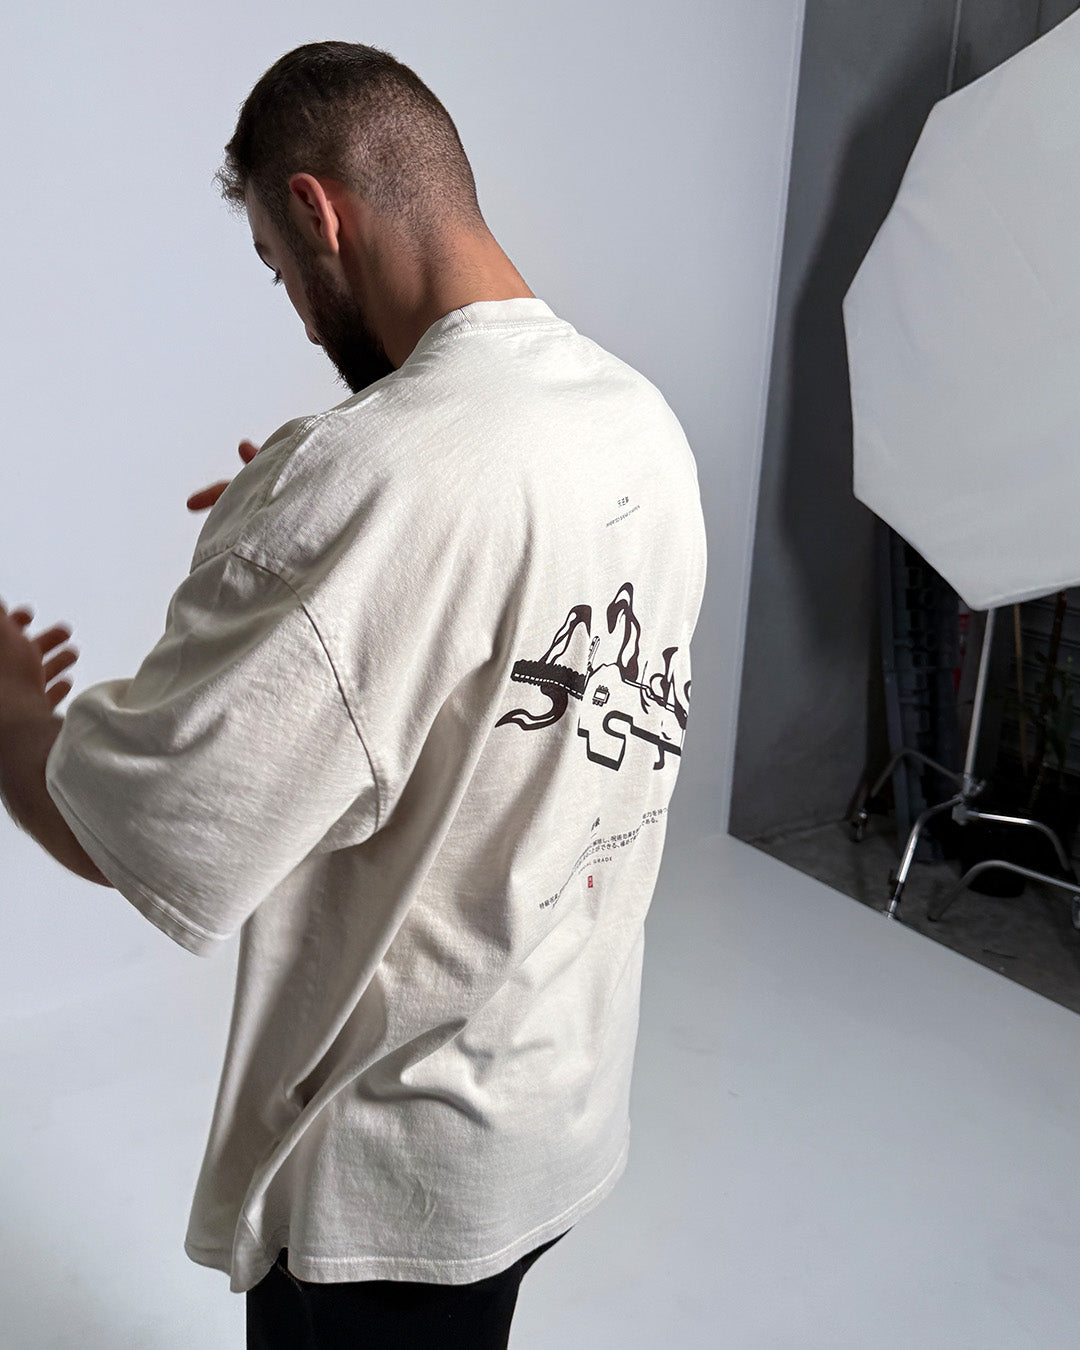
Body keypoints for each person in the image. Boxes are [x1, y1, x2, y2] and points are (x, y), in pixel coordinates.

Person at [0, 41, 707, 1349]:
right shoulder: (637, 422)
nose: (297, 311)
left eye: (278, 267)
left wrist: (8, 715)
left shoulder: (375, 480)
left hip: (393, 1169)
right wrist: (312, 522)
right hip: (551, 1103)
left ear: (316, 211)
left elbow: (148, 833)